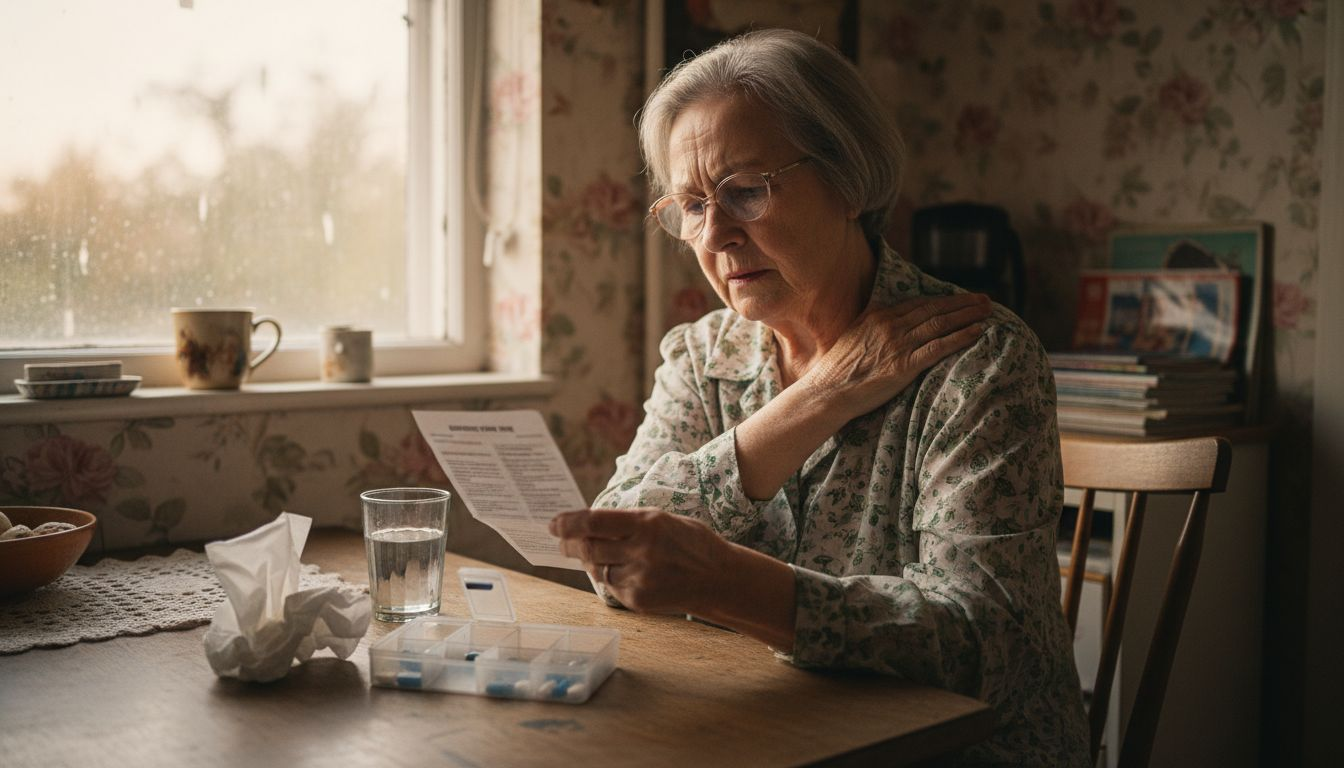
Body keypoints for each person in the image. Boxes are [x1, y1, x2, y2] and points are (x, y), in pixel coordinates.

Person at [548, 28, 1089, 766]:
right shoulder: (704, 355)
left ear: (850, 180)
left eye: (745, 191)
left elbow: (984, 642)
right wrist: (819, 399)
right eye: (691, 205)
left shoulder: (980, 359)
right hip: (769, 736)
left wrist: (732, 585)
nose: (717, 235)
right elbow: (618, 554)